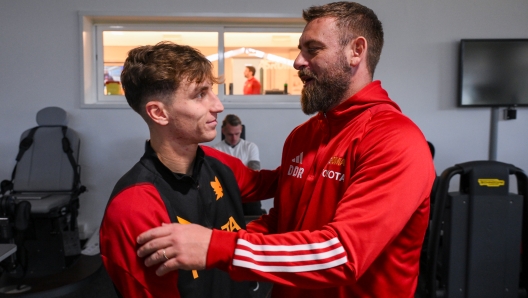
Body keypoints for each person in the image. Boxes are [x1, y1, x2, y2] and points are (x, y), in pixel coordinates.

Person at [136, 2, 436, 298]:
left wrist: (217, 247)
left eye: (313, 49)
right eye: (300, 49)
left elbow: (344, 254)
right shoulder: (303, 136)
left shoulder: (395, 139)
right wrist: (208, 244)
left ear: (356, 51)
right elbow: (284, 224)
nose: (297, 62)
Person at [99, 41, 277, 298]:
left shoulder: (219, 162)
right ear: (159, 113)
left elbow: (275, 184)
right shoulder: (132, 207)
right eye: (200, 94)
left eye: (211, 92)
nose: (218, 106)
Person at [213, 114, 264, 216]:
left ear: (241, 129)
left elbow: (254, 173)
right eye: (230, 134)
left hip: (248, 192)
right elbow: (217, 177)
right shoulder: (215, 149)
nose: (234, 138)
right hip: (226, 193)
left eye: (237, 133)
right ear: (223, 131)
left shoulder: (250, 147)